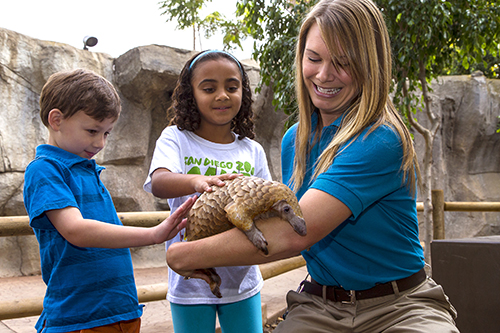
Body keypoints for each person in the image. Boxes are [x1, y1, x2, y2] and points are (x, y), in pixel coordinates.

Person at [165, 0, 460, 332]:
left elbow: (294, 233)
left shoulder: (381, 139)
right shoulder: (295, 140)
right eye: (314, 58)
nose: (323, 74)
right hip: (320, 305)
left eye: (342, 63)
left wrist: (183, 255)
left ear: (370, 66)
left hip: (400, 305)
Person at [23, 68, 196, 333]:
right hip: (79, 317)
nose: (100, 143)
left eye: (106, 133)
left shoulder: (87, 169)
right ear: (56, 120)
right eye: (92, 130)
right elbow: (76, 230)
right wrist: (153, 234)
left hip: (121, 310)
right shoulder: (45, 169)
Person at [143, 50, 272, 333]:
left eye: (232, 87)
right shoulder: (176, 137)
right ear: (191, 94)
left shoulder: (252, 149)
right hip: (191, 278)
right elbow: (158, 182)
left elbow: (267, 202)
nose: (222, 95)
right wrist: (197, 182)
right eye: (209, 88)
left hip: (242, 275)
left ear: (244, 92)